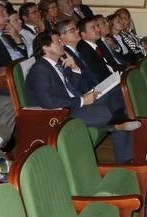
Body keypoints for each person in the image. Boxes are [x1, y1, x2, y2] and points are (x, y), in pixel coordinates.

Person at [25, 31, 136, 163]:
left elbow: (72, 88)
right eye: (58, 42)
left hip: (75, 102)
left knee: (116, 90)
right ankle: (125, 154)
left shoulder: (58, 64)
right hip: (62, 113)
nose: (62, 43)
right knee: (112, 112)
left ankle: (118, 123)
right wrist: (83, 100)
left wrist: (75, 69)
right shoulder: (40, 70)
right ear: (46, 47)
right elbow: (49, 102)